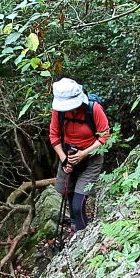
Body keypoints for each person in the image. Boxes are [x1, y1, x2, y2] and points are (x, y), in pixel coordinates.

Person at [49, 77, 110, 234]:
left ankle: (82, 238)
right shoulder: (58, 112)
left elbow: (104, 136)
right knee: (66, 192)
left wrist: (84, 153)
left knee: (77, 205)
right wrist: (64, 160)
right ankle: (76, 228)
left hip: (91, 159)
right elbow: (54, 136)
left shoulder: (93, 109)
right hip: (68, 155)